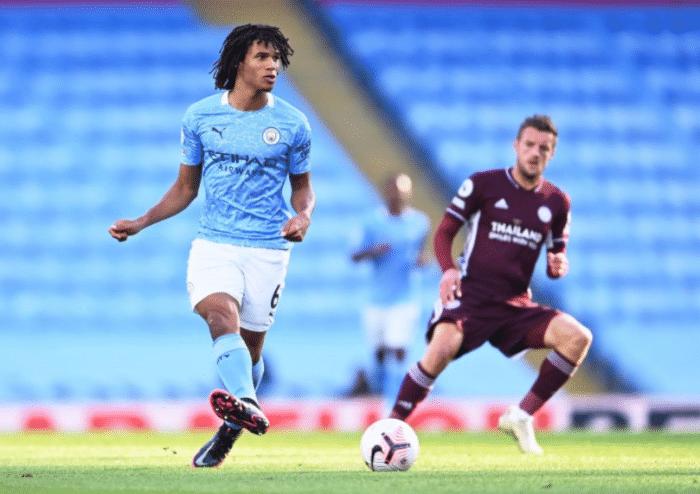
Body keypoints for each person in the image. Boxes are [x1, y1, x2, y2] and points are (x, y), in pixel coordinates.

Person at [108, 24, 315, 468]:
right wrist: (143, 221)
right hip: (215, 244)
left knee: (251, 351)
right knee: (220, 316)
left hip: (268, 250)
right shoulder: (200, 117)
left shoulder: (293, 124)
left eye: (276, 59)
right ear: (240, 62)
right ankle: (246, 401)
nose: (272, 66)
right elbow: (186, 188)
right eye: (262, 57)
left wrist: (303, 216)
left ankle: (232, 424)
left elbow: (302, 189)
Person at [388, 115, 592, 454]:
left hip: (515, 305)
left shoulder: (557, 202)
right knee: (441, 349)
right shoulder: (483, 185)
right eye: (529, 145)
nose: (535, 153)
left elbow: (556, 257)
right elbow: (444, 232)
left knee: (578, 338)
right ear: (516, 146)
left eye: (544, 148)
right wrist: (448, 270)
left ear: (552, 154)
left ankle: (521, 416)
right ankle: (390, 426)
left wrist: (558, 264)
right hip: (472, 295)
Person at [350, 173, 430, 405]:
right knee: (380, 352)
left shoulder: (419, 222)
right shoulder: (371, 222)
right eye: (395, 190)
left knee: (398, 348)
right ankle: (380, 392)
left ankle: (395, 397)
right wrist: (374, 251)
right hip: (376, 298)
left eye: (403, 191)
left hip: (405, 298)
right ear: (386, 192)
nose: (399, 195)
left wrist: (422, 261)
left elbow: (421, 254)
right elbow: (354, 256)